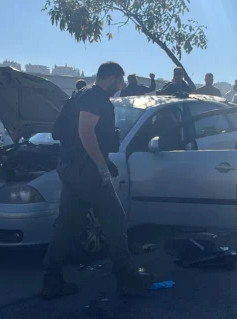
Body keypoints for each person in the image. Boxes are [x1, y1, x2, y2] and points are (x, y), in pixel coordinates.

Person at [41, 62, 156, 299]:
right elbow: (86, 132)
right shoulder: (95, 97)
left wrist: (104, 160)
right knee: (115, 218)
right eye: (120, 80)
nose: (121, 85)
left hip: (71, 167)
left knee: (67, 224)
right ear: (112, 78)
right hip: (87, 171)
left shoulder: (82, 94)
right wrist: (102, 166)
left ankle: (51, 280)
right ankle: (124, 275)